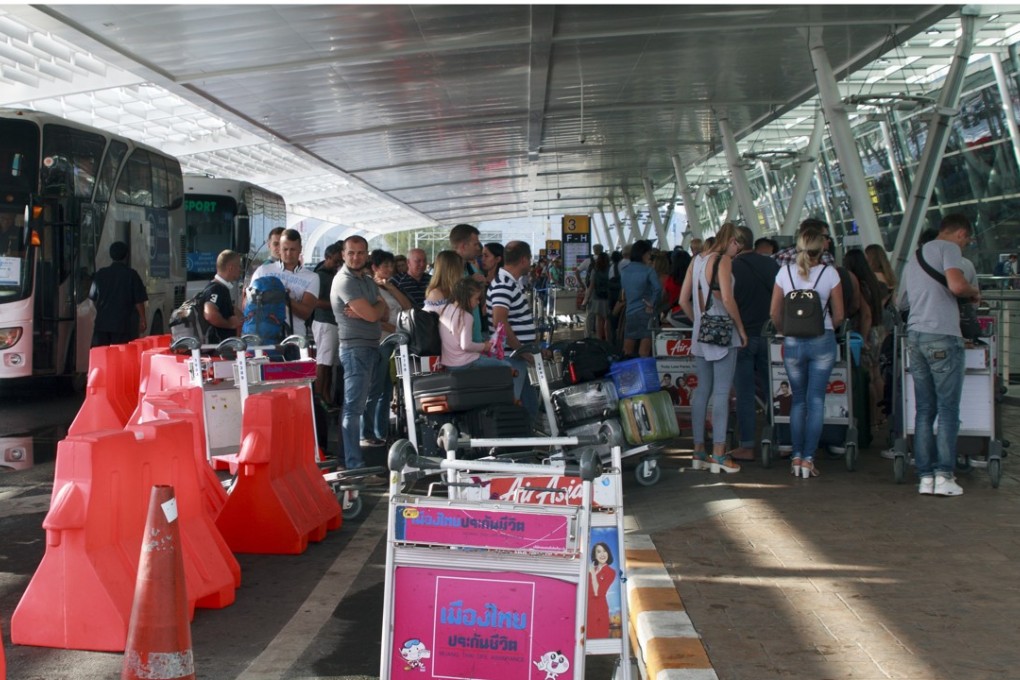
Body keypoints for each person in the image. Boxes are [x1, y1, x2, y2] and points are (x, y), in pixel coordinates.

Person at [897, 214, 980, 496]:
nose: (966, 244)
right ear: (959, 233)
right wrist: (973, 292)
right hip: (943, 334)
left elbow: (902, 301)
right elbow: (957, 286)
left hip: (916, 336)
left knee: (924, 409)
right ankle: (944, 474)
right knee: (947, 410)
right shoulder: (950, 250)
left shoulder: (916, 256)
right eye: (967, 239)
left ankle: (925, 477)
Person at [769, 226, 844, 479]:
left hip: (792, 342)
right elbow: (840, 314)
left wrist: (784, 330)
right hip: (822, 340)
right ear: (822, 247)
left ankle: (796, 456)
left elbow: (774, 313)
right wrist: (827, 328)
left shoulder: (784, 273)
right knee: (816, 401)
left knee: (798, 401)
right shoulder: (830, 273)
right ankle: (809, 458)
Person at [679, 223, 747, 474]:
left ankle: (698, 450)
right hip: (722, 333)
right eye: (738, 246)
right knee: (721, 392)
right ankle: (718, 454)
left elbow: (682, 300)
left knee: (702, 391)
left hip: (701, 332)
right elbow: (727, 299)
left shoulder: (696, 260)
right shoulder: (723, 260)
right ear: (732, 241)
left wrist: (698, 320)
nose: (737, 251)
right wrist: (740, 329)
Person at [330, 235, 390, 479]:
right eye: (351, 252)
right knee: (353, 409)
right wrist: (370, 310)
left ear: (367, 254)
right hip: (355, 350)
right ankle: (353, 465)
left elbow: (382, 311)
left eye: (360, 252)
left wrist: (370, 310)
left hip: (370, 348)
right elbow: (375, 313)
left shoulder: (365, 279)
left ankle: (352, 460)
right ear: (343, 254)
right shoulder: (344, 281)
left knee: (356, 407)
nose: (356, 257)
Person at [731, 225, 780, 462]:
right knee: (775, 390)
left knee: (745, 392)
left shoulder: (731, 268)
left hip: (743, 337)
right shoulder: (771, 264)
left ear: (737, 243)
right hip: (769, 335)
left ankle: (747, 445)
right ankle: (779, 439)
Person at [438, 278, 524, 400]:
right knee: (506, 364)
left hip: (450, 364)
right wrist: (485, 346)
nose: (478, 302)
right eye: (476, 299)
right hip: (465, 363)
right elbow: (466, 345)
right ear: (466, 297)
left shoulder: (446, 309)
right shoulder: (466, 316)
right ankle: (510, 401)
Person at [362, 250, 413, 446]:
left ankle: (380, 431)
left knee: (386, 389)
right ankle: (366, 433)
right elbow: (376, 318)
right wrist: (397, 330)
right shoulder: (370, 288)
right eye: (385, 266)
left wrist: (391, 288)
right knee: (374, 389)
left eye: (391, 265)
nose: (390, 269)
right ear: (374, 267)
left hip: (394, 342)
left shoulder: (390, 286)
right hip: (381, 341)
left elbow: (407, 306)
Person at [487, 240, 539, 417]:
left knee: (529, 407)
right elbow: (499, 322)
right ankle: (512, 443)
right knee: (512, 408)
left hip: (515, 356)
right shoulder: (503, 285)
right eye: (530, 259)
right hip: (511, 357)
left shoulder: (510, 283)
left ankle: (529, 440)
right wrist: (522, 351)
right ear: (524, 260)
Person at [246, 228, 319, 330]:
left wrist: (283, 297)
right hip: (264, 335)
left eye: (293, 249)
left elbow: (305, 313)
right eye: (285, 249)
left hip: (294, 337)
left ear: (300, 249)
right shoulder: (263, 271)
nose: (289, 253)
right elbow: (248, 302)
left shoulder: (312, 277)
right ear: (280, 249)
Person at [89, 241, 147, 347]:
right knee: (119, 354)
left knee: (103, 354)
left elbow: (92, 299)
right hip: (122, 326)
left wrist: (101, 312)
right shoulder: (131, 275)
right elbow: (139, 300)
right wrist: (143, 319)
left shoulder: (100, 274)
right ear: (126, 256)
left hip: (102, 325)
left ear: (111, 255)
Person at [311, 241, 343, 403]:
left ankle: (326, 396)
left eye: (340, 261)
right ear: (327, 258)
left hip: (332, 322)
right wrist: (338, 305)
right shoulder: (320, 276)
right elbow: (314, 301)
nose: (338, 264)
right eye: (336, 261)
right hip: (325, 322)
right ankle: (318, 399)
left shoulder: (331, 274)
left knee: (330, 364)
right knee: (323, 363)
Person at [619, 240, 662, 357]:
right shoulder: (648, 270)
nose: (650, 257)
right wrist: (652, 303)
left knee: (627, 347)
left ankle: (627, 372)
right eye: (649, 254)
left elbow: (624, 291)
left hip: (630, 312)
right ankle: (644, 373)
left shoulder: (624, 271)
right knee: (644, 349)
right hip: (646, 311)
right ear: (643, 254)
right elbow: (658, 289)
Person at [450, 223, 487, 342]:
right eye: (475, 244)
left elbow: (480, 300)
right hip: (459, 343)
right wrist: (469, 282)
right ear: (463, 246)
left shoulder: (472, 268)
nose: (478, 247)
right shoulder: (448, 271)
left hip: (475, 337)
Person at [200, 250, 243, 344]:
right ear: (231, 268)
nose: (240, 270)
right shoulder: (216, 289)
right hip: (219, 348)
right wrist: (230, 325)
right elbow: (210, 314)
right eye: (239, 266)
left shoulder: (220, 288)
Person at [587, 542, 616, 640]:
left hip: (599, 609)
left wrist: (592, 574)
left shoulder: (610, 572)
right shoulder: (591, 570)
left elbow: (597, 592)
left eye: (604, 551)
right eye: (599, 552)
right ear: (595, 555)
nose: (602, 554)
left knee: (597, 637)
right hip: (587, 608)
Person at [584, 252, 612, 341]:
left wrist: (586, 299)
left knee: (598, 319)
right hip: (608, 298)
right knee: (607, 319)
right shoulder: (610, 270)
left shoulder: (595, 271)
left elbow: (591, 286)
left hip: (597, 298)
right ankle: (608, 340)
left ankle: (599, 340)